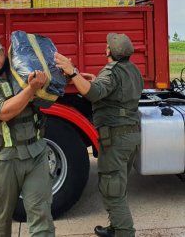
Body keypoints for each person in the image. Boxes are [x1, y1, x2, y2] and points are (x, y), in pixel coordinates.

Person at [54, 33, 144, 237]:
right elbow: (116, 91)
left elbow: (92, 94)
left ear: (109, 51)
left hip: (116, 138)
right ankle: (115, 227)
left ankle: (124, 232)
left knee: (113, 191)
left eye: (106, 46)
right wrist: (95, 80)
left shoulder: (111, 72)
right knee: (118, 185)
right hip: (131, 135)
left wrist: (72, 72)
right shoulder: (132, 70)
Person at [0, 34, 55, 237]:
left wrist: (49, 81)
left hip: (35, 154)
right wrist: (31, 89)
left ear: (4, 50)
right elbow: (4, 112)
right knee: (2, 217)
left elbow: (48, 99)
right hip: (5, 160)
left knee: (41, 214)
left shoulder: (21, 69)